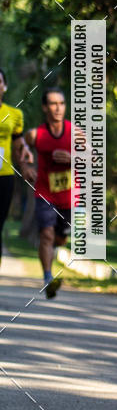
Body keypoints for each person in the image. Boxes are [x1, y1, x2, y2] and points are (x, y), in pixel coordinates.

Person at [23, 88, 74, 299]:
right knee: (46, 234)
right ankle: (47, 278)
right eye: (53, 104)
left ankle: (52, 248)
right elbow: (22, 149)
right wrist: (25, 166)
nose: (58, 108)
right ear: (45, 107)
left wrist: (73, 159)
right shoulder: (36, 135)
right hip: (44, 192)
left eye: (61, 103)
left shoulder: (75, 132)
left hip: (68, 195)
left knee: (60, 239)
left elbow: (94, 160)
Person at [0, 68, 33, 265]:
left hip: (4, 177)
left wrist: (25, 164)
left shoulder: (14, 114)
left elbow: (19, 143)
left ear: (4, 86)